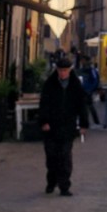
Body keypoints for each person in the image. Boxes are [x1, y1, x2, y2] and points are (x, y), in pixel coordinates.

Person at [38, 52, 89, 195]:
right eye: (60, 70)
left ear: (70, 70)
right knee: (52, 157)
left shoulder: (75, 85)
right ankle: (51, 182)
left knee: (65, 156)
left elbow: (81, 105)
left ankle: (64, 186)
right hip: (51, 127)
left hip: (68, 127)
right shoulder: (50, 84)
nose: (62, 73)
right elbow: (44, 104)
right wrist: (44, 121)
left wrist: (84, 124)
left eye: (65, 70)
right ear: (57, 70)